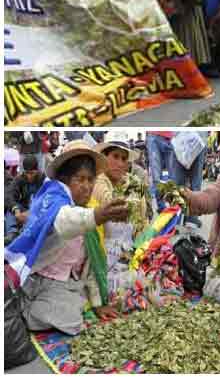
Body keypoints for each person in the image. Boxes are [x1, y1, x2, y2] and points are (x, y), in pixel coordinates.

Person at [5, 141, 130, 335]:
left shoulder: (89, 212)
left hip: (63, 282)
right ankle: (24, 310)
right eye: (80, 179)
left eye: (90, 180)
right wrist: (96, 216)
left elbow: (91, 266)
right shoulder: (53, 201)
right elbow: (65, 220)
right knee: (71, 317)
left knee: (73, 316)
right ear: (64, 180)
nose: (86, 186)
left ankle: (38, 306)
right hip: (36, 278)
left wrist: (97, 304)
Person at [92, 132, 148, 288]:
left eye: (124, 159)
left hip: (128, 252)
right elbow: (110, 204)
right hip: (102, 256)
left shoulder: (134, 183)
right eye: (115, 156)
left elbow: (142, 222)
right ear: (104, 158)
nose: (120, 163)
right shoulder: (98, 181)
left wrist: (143, 249)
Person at [5, 156, 45, 245]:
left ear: (37, 170)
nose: (29, 176)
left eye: (32, 173)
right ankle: (12, 233)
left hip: (39, 209)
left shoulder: (43, 179)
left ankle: (29, 234)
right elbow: (10, 196)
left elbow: (48, 199)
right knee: (11, 209)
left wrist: (30, 212)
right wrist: (16, 210)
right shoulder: (19, 179)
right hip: (24, 207)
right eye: (27, 173)